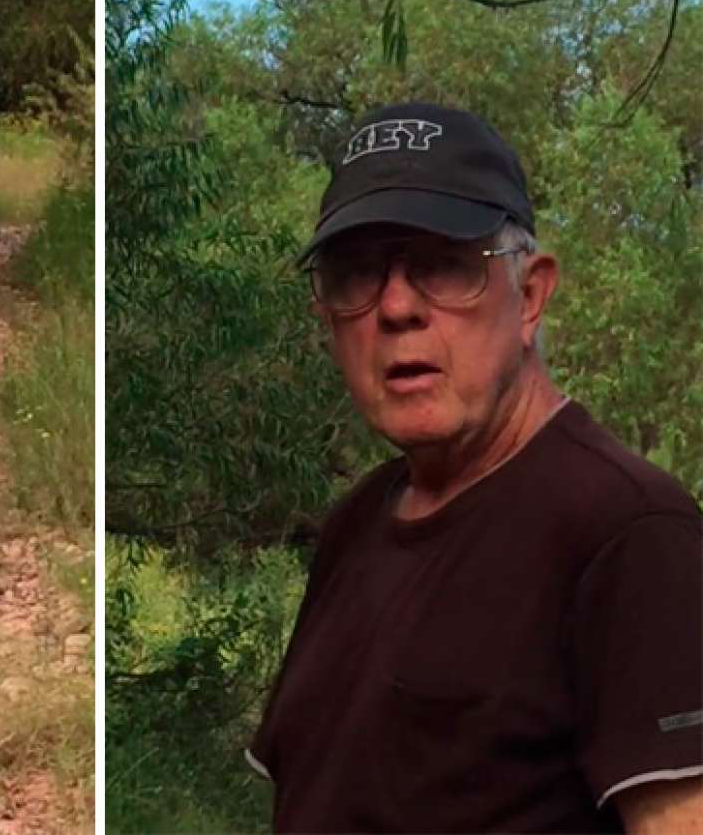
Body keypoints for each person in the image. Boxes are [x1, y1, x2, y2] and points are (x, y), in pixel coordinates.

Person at [249, 103, 702, 833]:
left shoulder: (628, 533)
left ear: (530, 296)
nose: (396, 307)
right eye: (357, 274)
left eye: (442, 265)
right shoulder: (354, 525)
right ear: (325, 315)